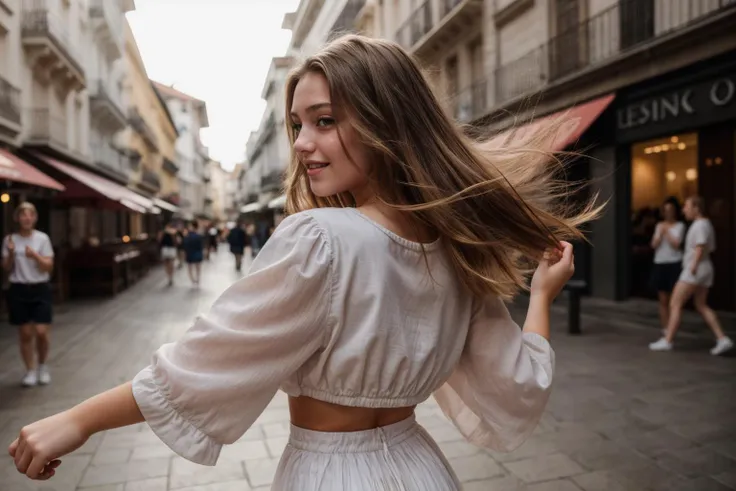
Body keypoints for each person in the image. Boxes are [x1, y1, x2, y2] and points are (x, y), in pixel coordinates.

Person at [9, 35, 599, 488]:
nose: (300, 144)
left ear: (386, 121)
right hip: (425, 470)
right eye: (296, 125)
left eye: (324, 120)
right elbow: (521, 383)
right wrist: (542, 296)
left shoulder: (319, 238)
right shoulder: (457, 246)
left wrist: (78, 420)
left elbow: (201, 366)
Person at [650, 196, 733, 355]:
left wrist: (692, 266)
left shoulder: (700, 225)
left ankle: (667, 340)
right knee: (701, 305)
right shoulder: (704, 224)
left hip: (695, 269)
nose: (684, 210)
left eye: (687, 206)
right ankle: (722, 339)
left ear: (696, 208)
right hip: (704, 268)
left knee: (675, 303)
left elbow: (700, 247)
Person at [2, 202, 55, 387]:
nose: (27, 218)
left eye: (30, 214)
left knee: (41, 332)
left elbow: (49, 266)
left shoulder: (42, 239)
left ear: (35, 218)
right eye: (23, 215)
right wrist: (9, 254)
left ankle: (42, 366)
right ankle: (30, 370)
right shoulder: (10, 239)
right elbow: (6, 268)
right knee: (25, 333)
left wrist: (36, 256)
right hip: (18, 289)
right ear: (17, 218)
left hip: (40, 288)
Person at [649, 197, 686, 333]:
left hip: (674, 263)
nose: (668, 213)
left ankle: (673, 328)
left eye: (670, 210)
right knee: (662, 299)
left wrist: (667, 232)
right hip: (660, 262)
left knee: (674, 300)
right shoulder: (659, 225)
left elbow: (676, 244)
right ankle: (665, 329)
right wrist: (659, 235)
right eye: (666, 210)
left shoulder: (680, 226)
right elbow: (653, 245)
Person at [182, 221, 204, 286]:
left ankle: (193, 279)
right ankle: (197, 279)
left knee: (191, 267)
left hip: (191, 252)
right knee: (197, 267)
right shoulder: (198, 235)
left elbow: (185, 245)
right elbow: (201, 246)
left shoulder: (188, 236)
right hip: (196, 252)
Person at [158, 222, 179, 286]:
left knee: (169, 264)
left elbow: (159, 240)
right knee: (168, 264)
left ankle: (170, 276)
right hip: (168, 249)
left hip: (168, 249)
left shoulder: (173, 233)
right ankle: (169, 277)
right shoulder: (164, 233)